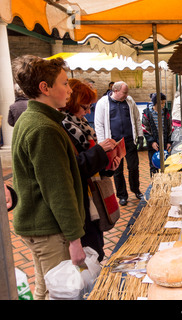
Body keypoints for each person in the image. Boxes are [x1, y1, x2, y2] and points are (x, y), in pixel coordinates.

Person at [11, 55, 86, 299]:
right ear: (45, 88)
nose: (69, 89)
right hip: (50, 230)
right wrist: (75, 239)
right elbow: (57, 189)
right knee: (61, 291)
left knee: (45, 288)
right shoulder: (43, 127)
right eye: (64, 83)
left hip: (39, 226)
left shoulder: (33, 119)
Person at [60, 78, 119, 261]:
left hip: (92, 198)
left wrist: (109, 165)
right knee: (91, 253)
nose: (87, 113)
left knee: (97, 248)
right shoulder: (63, 128)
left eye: (89, 108)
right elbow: (74, 168)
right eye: (84, 107)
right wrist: (100, 150)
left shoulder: (82, 126)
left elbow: (93, 164)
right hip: (81, 203)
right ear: (71, 103)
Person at [95, 81, 144, 206]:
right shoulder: (102, 103)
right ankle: (122, 195)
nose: (127, 95)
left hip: (129, 140)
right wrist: (102, 144)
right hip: (114, 144)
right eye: (124, 92)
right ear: (115, 91)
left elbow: (137, 118)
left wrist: (139, 135)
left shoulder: (129, 101)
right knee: (117, 170)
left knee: (134, 167)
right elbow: (99, 125)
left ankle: (136, 189)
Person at [142, 92, 172, 174]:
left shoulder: (166, 113)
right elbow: (145, 129)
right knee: (153, 166)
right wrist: (152, 142)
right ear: (155, 103)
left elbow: (170, 127)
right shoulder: (147, 113)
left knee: (166, 165)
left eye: (164, 103)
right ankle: (155, 184)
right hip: (153, 145)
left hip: (164, 142)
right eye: (161, 103)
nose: (163, 105)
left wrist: (169, 141)